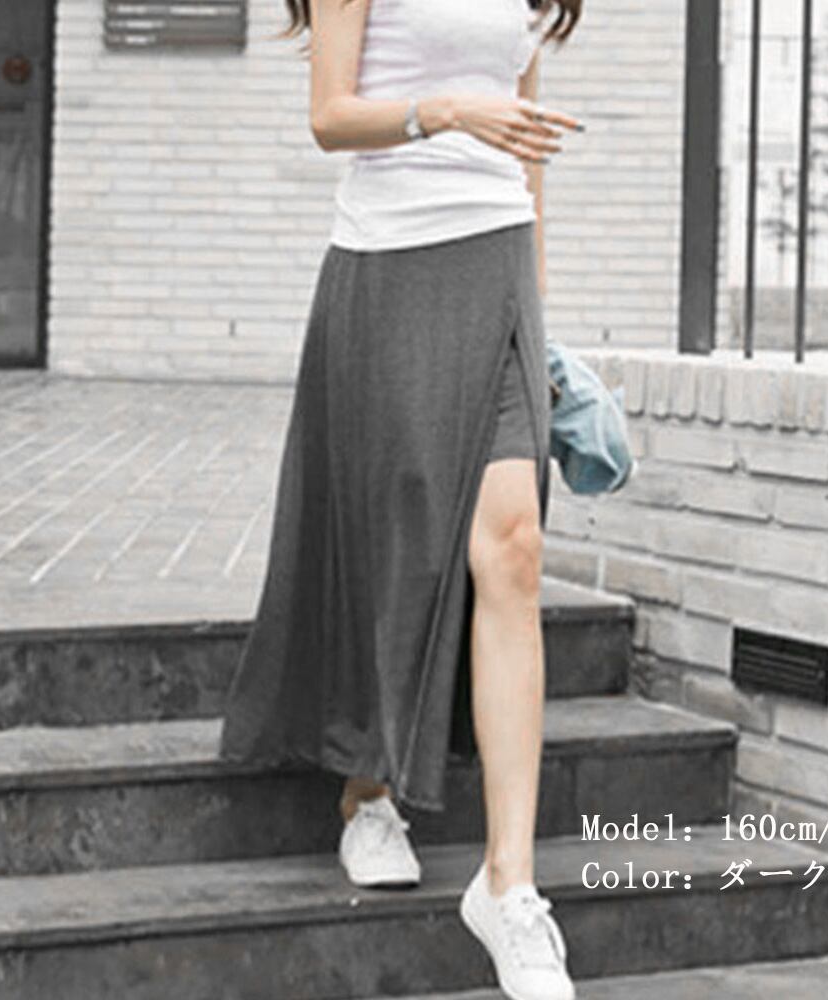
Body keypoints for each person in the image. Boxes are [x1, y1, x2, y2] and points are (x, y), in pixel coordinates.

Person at [217, 1, 583, 997]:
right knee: (395, 539)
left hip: (497, 263)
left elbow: (527, 149)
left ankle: (508, 885)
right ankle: (368, 792)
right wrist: (445, 111)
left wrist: (541, 320)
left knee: (513, 546)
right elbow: (330, 116)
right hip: (387, 264)